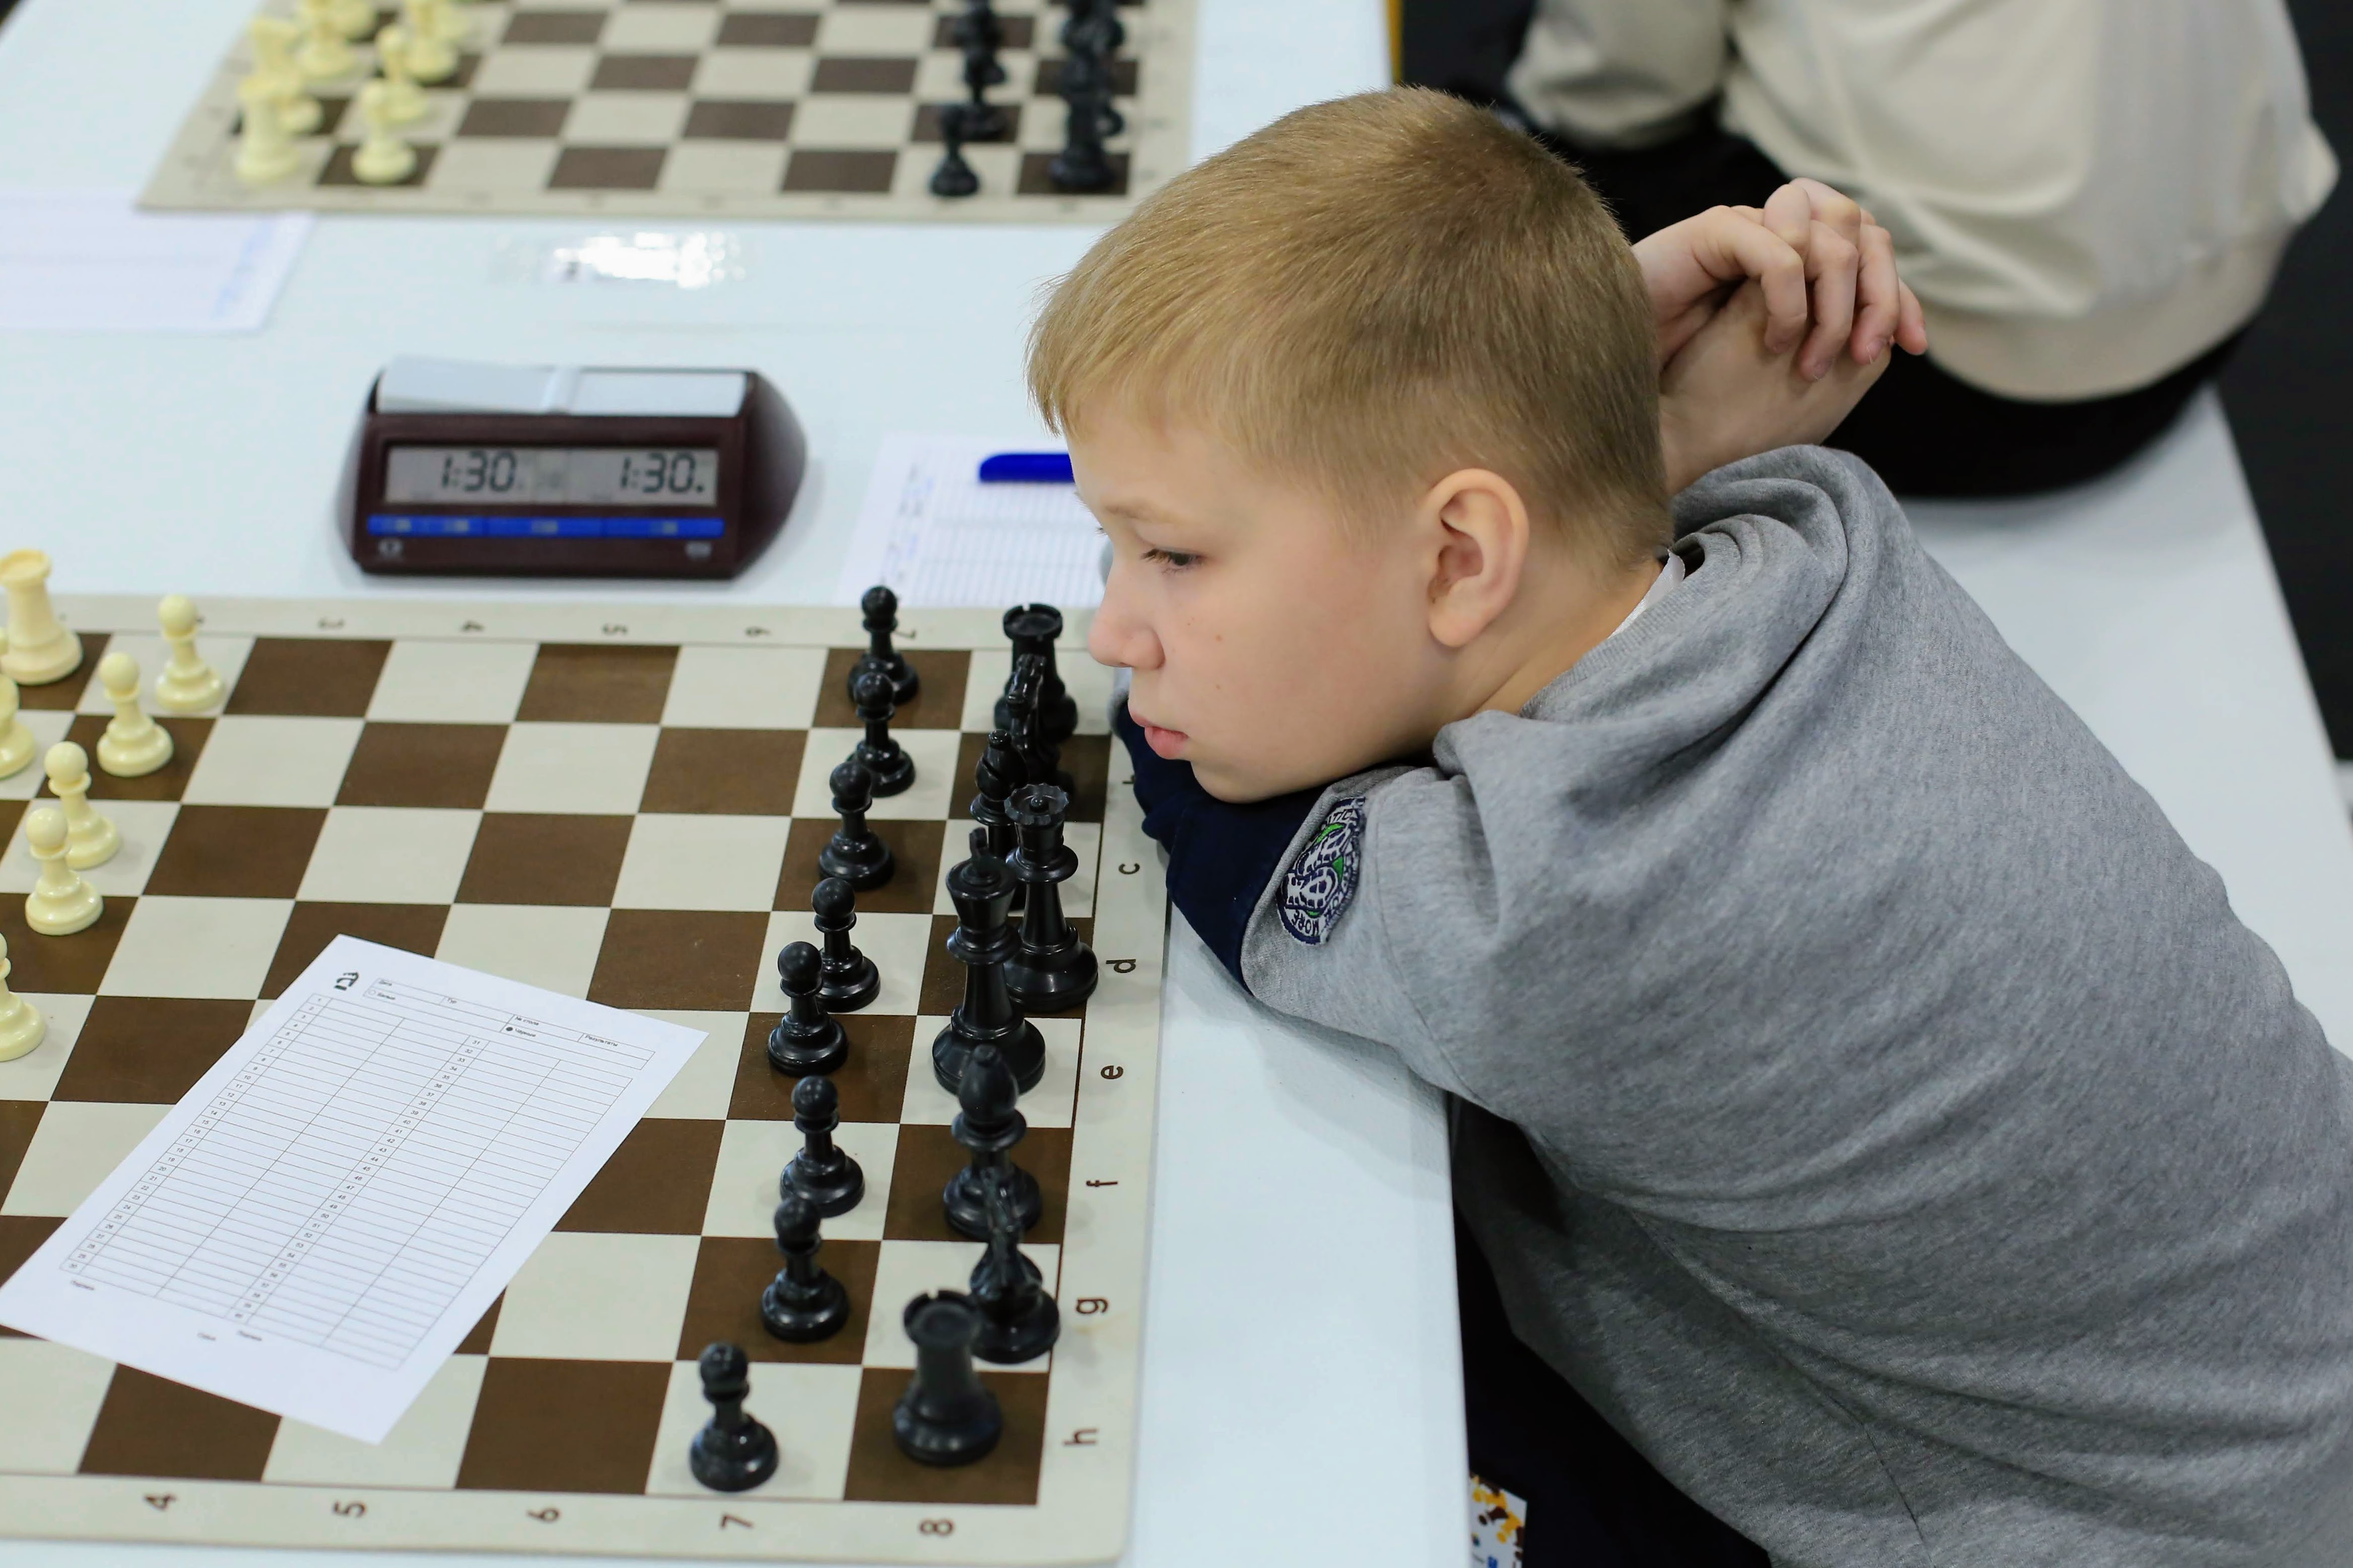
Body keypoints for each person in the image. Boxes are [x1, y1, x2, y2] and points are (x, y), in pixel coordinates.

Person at [1030, 88, 2353, 1566]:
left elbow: (1221, 815)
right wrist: (1589, 402)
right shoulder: (1812, 523)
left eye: (1170, 554)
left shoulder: (1558, 906)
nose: (1117, 627)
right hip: (2290, 1353)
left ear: (1463, 553)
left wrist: (1608, 419)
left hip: (2122, 1528)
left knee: (1343, 1380)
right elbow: (1558, 529)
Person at [1502, 0, 2338, 496]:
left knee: (1538, 152)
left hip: (1956, 365)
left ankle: (1662, 455)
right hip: (2224, 281)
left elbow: (1612, 95)